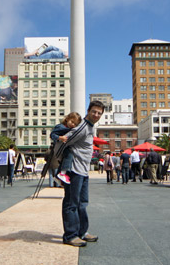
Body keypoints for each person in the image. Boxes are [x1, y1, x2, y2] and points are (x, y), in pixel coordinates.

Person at [57, 100, 104, 247]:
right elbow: (62, 142)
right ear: (88, 111)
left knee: (82, 203)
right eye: (94, 112)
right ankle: (70, 235)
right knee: (71, 203)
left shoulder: (91, 128)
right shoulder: (82, 127)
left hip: (83, 171)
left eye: (99, 113)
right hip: (74, 170)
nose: (96, 115)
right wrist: (61, 163)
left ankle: (82, 232)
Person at [50, 111, 82, 185]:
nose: (73, 125)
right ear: (67, 119)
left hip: (64, 146)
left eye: (75, 124)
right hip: (61, 147)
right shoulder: (61, 127)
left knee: (65, 160)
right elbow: (52, 134)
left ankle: (58, 176)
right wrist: (60, 137)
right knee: (69, 155)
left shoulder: (70, 128)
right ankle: (62, 173)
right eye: (72, 122)